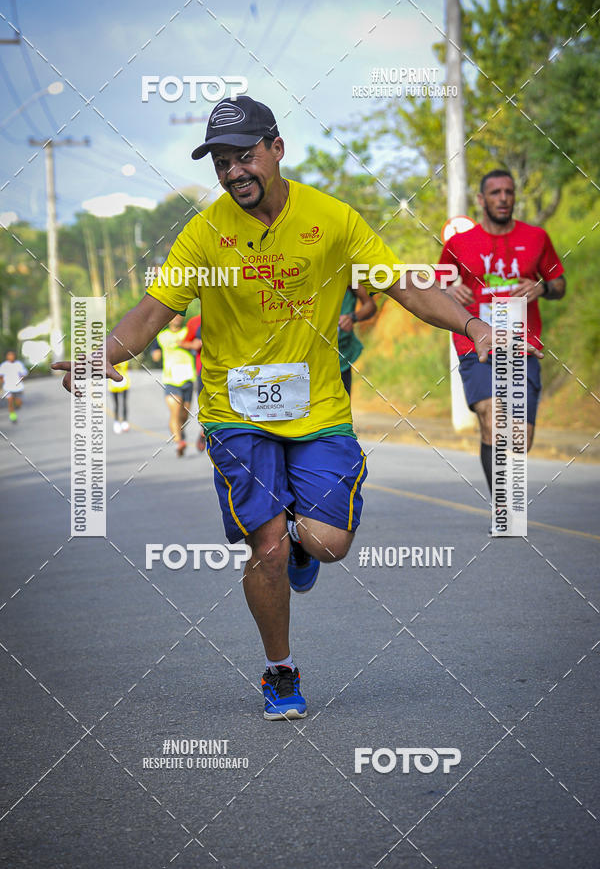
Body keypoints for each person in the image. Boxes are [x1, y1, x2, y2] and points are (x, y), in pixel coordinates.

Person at [55, 96, 525, 722]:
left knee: (328, 543)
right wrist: (100, 352)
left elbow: (404, 285)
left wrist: (473, 324)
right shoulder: (204, 233)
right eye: (221, 163)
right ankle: (280, 669)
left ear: (277, 149)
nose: (233, 172)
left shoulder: (331, 218)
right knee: (268, 546)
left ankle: (306, 545)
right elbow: (151, 312)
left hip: (318, 409)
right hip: (235, 413)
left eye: (244, 156)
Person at [438, 169, 565, 500]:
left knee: (520, 439)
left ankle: (507, 495)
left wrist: (542, 287)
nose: (503, 198)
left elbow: (559, 284)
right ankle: (503, 508)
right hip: (476, 344)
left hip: (522, 345)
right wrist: (449, 289)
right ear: (481, 199)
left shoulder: (537, 237)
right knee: (492, 419)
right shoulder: (458, 244)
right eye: (495, 193)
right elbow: (435, 288)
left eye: (508, 192)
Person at [152, 315, 196, 457]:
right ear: (169, 318)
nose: (177, 318)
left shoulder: (187, 332)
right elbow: (155, 355)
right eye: (174, 315)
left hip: (188, 377)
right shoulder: (162, 336)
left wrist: (187, 345)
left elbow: (197, 345)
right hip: (171, 379)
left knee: (184, 415)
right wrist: (156, 354)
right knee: (175, 412)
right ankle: (179, 442)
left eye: (180, 315)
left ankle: (179, 433)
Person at [337, 283, 376, 395]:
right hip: (311, 359)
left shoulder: (347, 277)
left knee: (342, 403)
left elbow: (370, 305)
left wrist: (351, 317)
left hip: (342, 357)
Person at [179, 312, 206, 452]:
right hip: (203, 368)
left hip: (228, 367)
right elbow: (184, 342)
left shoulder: (229, 315)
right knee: (205, 403)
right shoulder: (195, 322)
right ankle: (204, 430)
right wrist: (194, 345)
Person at [0, 350, 28, 423]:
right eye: (9, 355)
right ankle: (13, 416)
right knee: (10, 402)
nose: (11, 357)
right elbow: (1, 376)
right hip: (8, 387)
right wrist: (2, 382)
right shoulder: (3, 365)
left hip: (18, 387)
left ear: (14, 356)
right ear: (7, 357)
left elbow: (24, 373)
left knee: (19, 403)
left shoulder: (19, 364)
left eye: (12, 355)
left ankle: (16, 406)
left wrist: (22, 377)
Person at [108, 361, 131, 433]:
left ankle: (125, 421)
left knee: (124, 403)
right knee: (116, 405)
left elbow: (127, 367)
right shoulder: (111, 359)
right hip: (113, 384)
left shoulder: (124, 358)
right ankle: (116, 422)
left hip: (124, 383)